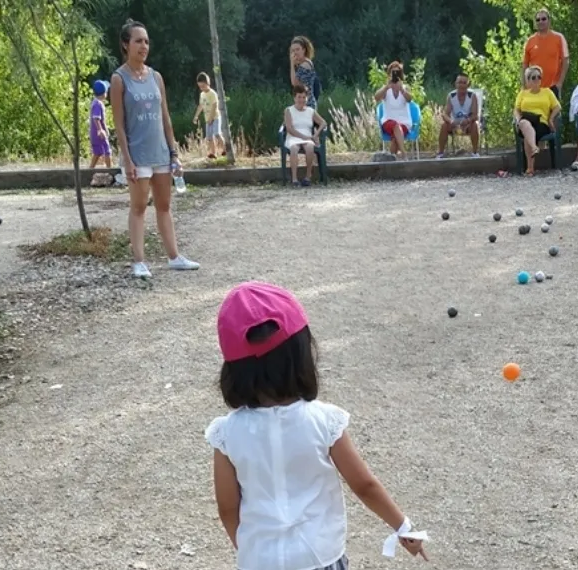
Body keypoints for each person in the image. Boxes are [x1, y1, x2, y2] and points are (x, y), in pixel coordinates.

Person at [205, 281, 429, 570]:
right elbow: (364, 485)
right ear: (300, 356)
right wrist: (403, 526)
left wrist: (253, 550)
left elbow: (227, 507)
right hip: (319, 557)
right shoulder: (325, 421)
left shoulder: (226, 434)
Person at [109, 19, 199, 278]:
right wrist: (128, 161)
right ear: (126, 45)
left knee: (164, 205)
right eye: (138, 41)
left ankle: (174, 256)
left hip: (160, 153)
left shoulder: (156, 77)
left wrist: (174, 153)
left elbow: (165, 118)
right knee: (138, 207)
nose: (144, 46)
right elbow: (119, 124)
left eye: (146, 41)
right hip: (138, 155)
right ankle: (139, 261)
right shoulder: (119, 78)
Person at [513, 65, 561, 177]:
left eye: (539, 77)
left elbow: (557, 107)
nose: (537, 80)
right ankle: (534, 148)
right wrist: (518, 119)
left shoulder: (547, 92)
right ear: (528, 80)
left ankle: (530, 169)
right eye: (533, 77)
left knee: (527, 134)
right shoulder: (523, 93)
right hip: (525, 119)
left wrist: (551, 118)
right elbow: (516, 109)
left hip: (541, 122)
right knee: (525, 124)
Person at [283, 85, 327, 186]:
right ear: (294, 98)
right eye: (299, 97)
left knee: (310, 147)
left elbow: (323, 122)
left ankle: (308, 177)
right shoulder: (288, 110)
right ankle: (294, 179)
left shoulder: (310, 111)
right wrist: (303, 137)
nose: (301, 100)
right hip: (293, 137)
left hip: (308, 137)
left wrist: (316, 134)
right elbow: (289, 128)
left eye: (303, 97)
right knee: (294, 148)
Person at [522, 8, 569, 100]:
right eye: (538, 20)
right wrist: (524, 85)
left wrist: (560, 83)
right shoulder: (530, 41)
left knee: (553, 114)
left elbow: (566, 60)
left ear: (549, 21)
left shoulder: (559, 38)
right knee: (534, 113)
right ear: (535, 23)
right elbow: (524, 65)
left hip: (553, 87)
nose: (541, 21)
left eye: (543, 19)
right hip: (534, 87)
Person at [374, 61, 414, 160]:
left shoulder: (405, 88)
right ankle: (404, 154)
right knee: (395, 125)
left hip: (404, 122)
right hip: (388, 120)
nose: (395, 75)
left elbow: (410, 99)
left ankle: (391, 162)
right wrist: (387, 87)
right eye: (393, 73)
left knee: (395, 139)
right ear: (389, 75)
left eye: (397, 73)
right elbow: (376, 97)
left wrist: (402, 90)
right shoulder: (386, 89)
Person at [436, 72, 479, 158]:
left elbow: (475, 115)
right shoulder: (451, 96)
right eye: (459, 82)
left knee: (475, 124)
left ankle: (475, 152)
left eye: (464, 83)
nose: (462, 85)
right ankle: (440, 153)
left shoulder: (472, 96)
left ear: (468, 85)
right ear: (456, 84)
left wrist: (467, 121)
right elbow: (445, 114)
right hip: (454, 124)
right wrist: (451, 121)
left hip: (468, 124)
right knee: (444, 125)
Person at [192, 72, 226, 160]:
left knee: (217, 133)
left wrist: (211, 118)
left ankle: (225, 149)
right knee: (209, 137)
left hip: (215, 118)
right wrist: (196, 116)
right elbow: (201, 106)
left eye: (203, 86)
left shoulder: (212, 94)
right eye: (200, 87)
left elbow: (215, 106)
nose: (202, 88)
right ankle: (213, 153)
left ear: (208, 83)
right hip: (207, 119)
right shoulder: (202, 95)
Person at [289, 36, 318, 109]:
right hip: (303, 103)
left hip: (307, 104)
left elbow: (295, 83)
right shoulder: (302, 64)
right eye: (293, 50)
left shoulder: (305, 65)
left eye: (297, 49)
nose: (295, 52)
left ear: (304, 50)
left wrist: (292, 64)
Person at [89, 80, 113, 169]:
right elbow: (96, 118)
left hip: (95, 134)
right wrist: (100, 130)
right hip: (99, 134)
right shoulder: (98, 104)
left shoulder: (95, 103)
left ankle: (91, 169)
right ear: (104, 93)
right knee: (107, 151)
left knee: (97, 152)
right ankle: (110, 169)